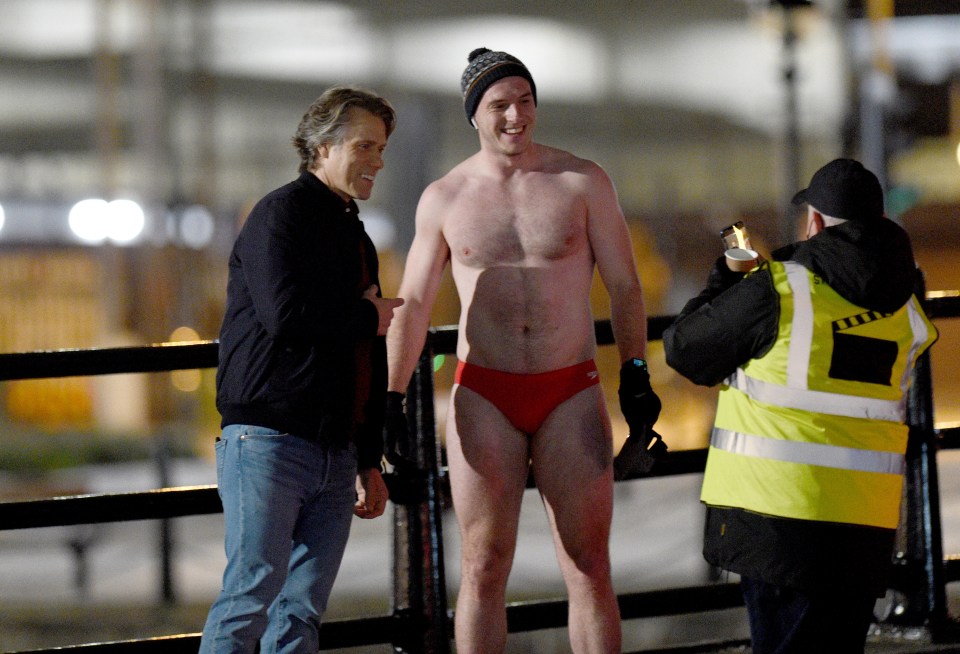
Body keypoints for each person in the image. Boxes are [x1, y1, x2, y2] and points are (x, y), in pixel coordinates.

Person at [384, 47, 660, 654]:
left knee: (590, 564)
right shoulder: (445, 197)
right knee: (484, 566)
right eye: (500, 105)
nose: (516, 116)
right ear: (474, 116)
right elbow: (412, 302)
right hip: (485, 391)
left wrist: (636, 377)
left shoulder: (581, 180)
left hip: (570, 387)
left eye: (526, 101)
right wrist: (392, 399)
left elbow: (625, 285)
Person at [663, 158, 938, 653]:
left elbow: (685, 348)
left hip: (777, 521)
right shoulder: (906, 303)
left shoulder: (781, 289)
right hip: (864, 524)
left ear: (813, 222)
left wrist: (728, 275)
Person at [199, 86, 404, 654]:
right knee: (250, 597)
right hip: (269, 436)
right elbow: (285, 315)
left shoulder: (355, 233)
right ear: (323, 147)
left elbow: (366, 350)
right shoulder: (279, 214)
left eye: (382, 149)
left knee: (301, 611)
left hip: (332, 448)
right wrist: (367, 314)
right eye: (366, 146)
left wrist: (368, 457)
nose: (378, 162)